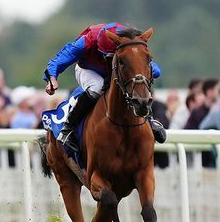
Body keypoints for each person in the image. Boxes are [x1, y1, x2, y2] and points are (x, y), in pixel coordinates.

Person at [43, 22, 165, 151]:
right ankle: (68, 128)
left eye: (110, 56)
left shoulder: (128, 42)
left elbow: (155, 70)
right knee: (97, 87)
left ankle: (150, 121)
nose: (106, 58)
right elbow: (61, 58)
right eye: (105, 55)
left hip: (117, 68)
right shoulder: (86, 41)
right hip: (88, 68)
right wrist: (52, 78)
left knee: (134, 85)